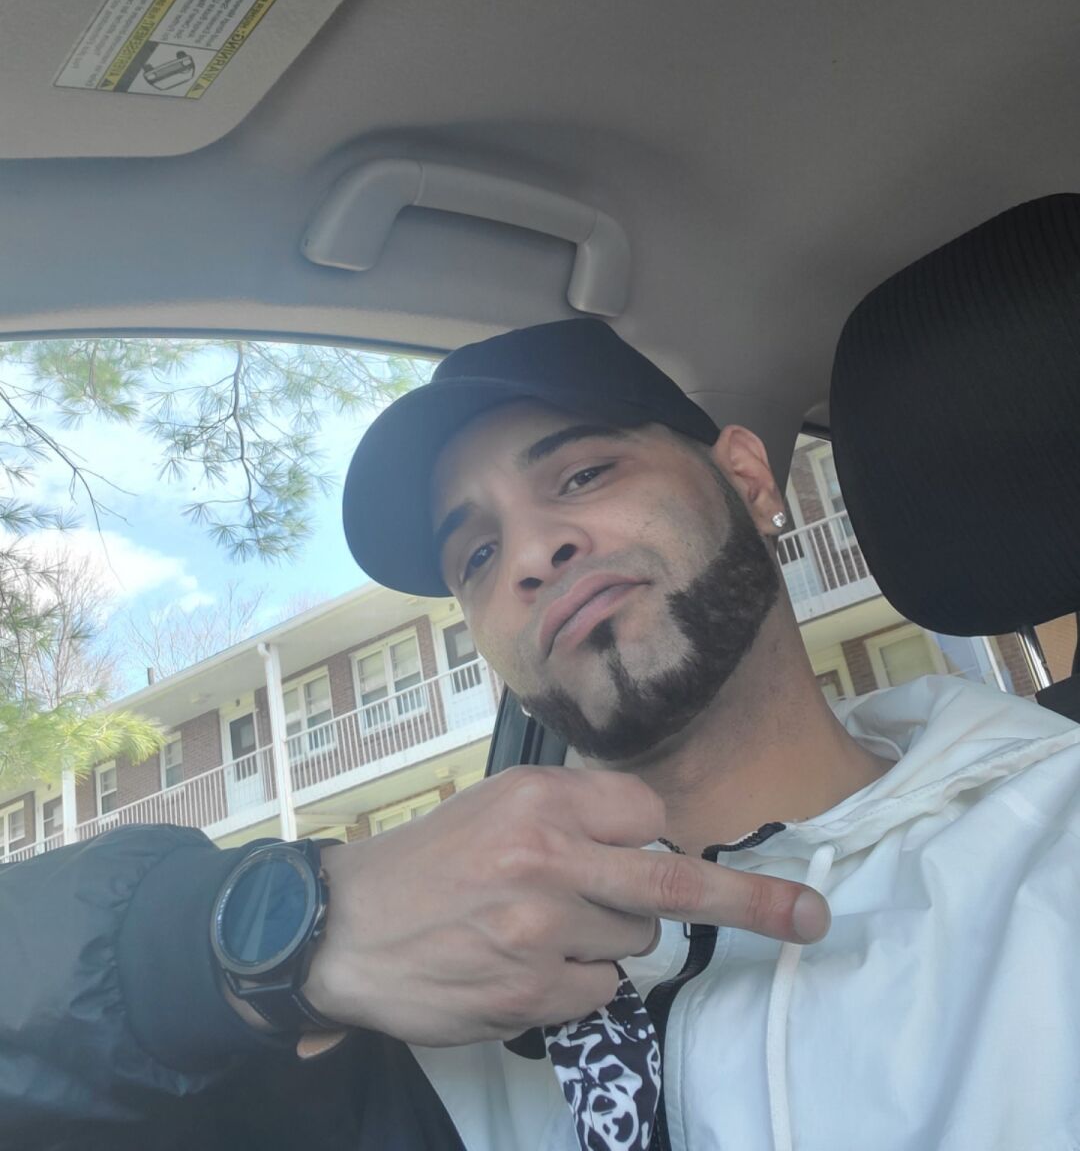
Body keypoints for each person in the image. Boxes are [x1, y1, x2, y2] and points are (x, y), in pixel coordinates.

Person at [2, 320, 1079, 1151]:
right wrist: (270, 936)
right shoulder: (428, 1001)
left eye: (582, 475)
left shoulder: (1049, 840)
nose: (529, 555)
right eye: (475, 555)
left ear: (749, 480)